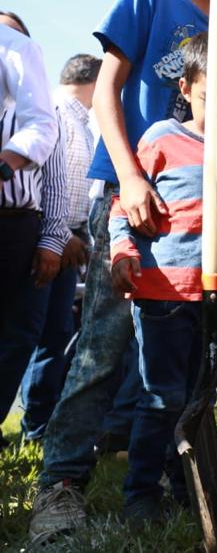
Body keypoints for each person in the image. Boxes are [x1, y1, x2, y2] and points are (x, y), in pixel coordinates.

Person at [28, 0, 217, 544]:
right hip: (132, 192)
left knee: (182, 360)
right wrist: (130, 178)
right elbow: (109, 88)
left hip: (200, 222)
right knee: (102, 344)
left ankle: (161, 473)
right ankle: (59, 482)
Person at [107, 33, 217, 522]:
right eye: (214, 100)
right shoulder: (160, 140)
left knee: (198, 397)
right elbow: (122, 208)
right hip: (163, 295)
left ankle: (184, 482)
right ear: (188, 89)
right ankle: (140, 492)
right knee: (159, 397)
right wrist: (123, 251)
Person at [19, 54, 101, 441]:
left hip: (69, 240)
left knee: (56, 334)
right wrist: (61, 235)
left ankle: (40, 423)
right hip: (49, 239)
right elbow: (51, 183)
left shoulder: (81, 123)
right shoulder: (56, 114)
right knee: (35, 335)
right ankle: (34, 425)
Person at [0, 14, 59, 450]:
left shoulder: (39, 111)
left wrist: (50, 239)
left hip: (14, 223)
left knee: (18, 335)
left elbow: (56, 181)